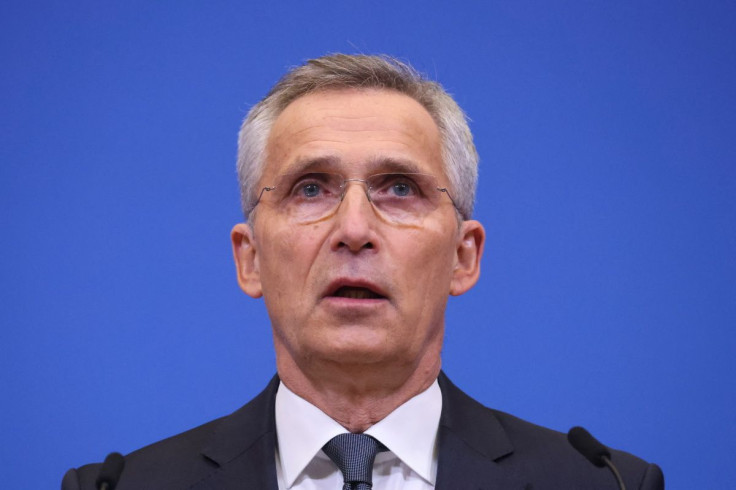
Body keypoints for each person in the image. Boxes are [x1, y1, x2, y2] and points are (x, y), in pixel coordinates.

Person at [62, 54, 664, 489]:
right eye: (311, 188)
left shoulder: (606, 484)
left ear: (463, 255)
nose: (354, 229)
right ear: (250, 258)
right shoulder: (119, 487)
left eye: (399, 188)